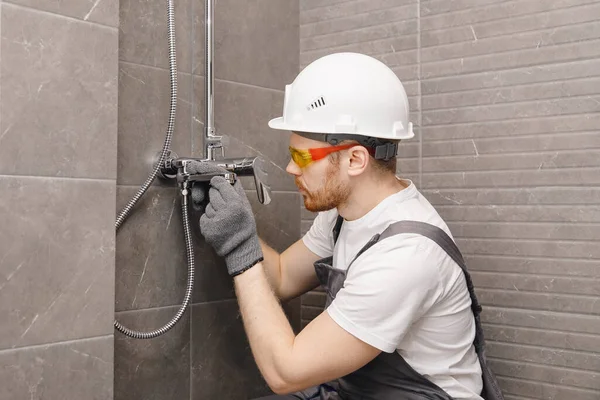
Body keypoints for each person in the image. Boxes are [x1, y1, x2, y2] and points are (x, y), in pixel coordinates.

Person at [191, 53, 503, 400]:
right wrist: (236, 223)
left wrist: (239, 248)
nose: (290, 169)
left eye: (302, 157)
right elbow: (280, 277)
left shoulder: (406, 255)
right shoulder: (345, 213)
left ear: (355, 159)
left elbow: (285, 372)